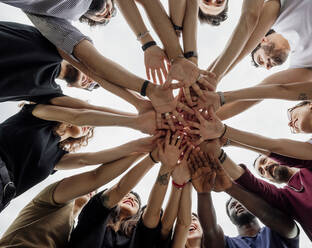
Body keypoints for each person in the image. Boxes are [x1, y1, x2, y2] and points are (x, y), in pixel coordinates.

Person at [0, 0, 216, 124]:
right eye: (111, 9)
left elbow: (90, 60)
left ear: (88, 19)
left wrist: (148, 90)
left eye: (105, 17)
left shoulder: (47, 17)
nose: (107, 13)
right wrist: (166, 50)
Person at [208, 0, 312, 120]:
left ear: (262, 39)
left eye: (260, 59)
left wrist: (208, 79)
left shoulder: (281, 11)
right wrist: (200, 118)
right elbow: (262, 92)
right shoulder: (304, 64)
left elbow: (245, 39)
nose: (267, 66)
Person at [192, 81, 312, 180]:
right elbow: (273, 145)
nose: (290, 124)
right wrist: (222, 130)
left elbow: (281, 88)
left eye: (290, 114)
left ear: (309, 102)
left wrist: (223, 97)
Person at [0, 104, 160, 212]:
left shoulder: (57, 157)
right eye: (89, 120)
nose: (88, 125)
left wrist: (142, 146)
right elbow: (78, 114)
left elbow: (89, 160)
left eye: (91, 127)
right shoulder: (36, 115)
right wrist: (139, 120)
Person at [0, 136, 149, 247]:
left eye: (94, 191)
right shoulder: (53, 199)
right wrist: (144, 151)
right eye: (90, 188)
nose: (91, 191)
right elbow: (96, 177)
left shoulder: (73, 230)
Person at [188, 149, 299, 248]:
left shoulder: (276, 230)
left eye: (239, 201)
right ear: (230, 218)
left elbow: (280, 222)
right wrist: (203, 193)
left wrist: (230, 188)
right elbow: (210, 232)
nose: (236, 204)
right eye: (232, 205)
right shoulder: (227, 243)